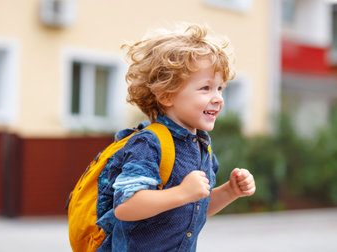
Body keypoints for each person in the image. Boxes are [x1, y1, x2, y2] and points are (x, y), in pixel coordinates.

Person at [95, 23, 256, 251]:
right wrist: (182, 192)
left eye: (220, 88)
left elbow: (193, 208)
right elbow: (126, 205)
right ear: (166, 95)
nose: (218, 98)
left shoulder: (201, 147)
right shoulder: (149, 144)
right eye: (205, 88)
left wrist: (230, 191)